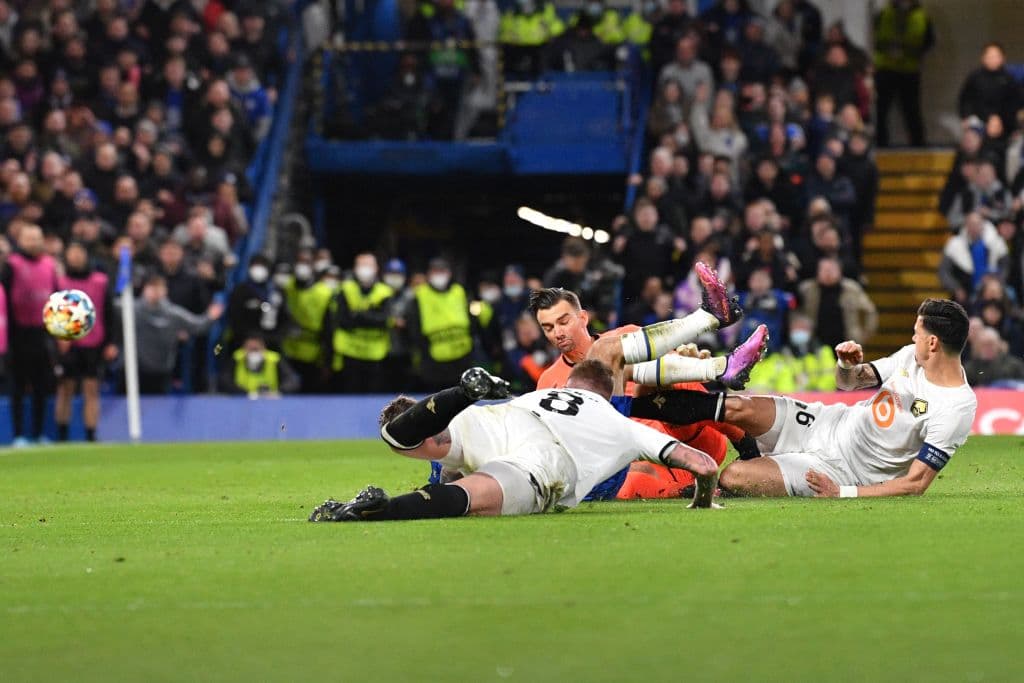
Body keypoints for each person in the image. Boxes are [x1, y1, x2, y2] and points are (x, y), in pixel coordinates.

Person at [309, 355, 720, 521]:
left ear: (571, 382)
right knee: (475, 496)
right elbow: (704, 465)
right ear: (604, 392)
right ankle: (383, 510)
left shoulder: (539, 392)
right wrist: (702, 501)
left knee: (404, 439)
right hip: (544, 460)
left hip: (500, 417)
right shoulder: (619, 421)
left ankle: (459, 394)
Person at [639, 300, 976, 498]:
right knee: (735, 407)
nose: (911, 337)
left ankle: (750, 466)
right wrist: (847, 365)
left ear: (933, 343)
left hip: (844, 470)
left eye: (916, 332)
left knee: (732, 477)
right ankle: (630, 407)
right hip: (827, 422)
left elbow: (916, 483)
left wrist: (842, 493)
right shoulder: (909, 356)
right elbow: (846, 384)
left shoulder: (955, 407)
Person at [530, 263, 767, 499]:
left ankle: (748, 449)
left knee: (662, 380)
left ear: (583, 317)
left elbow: (677, 370)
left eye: (563, 322)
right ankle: (720, 364)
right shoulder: (549, 381)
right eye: (548, 327)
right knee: (626, 481)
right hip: (640, 465)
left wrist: (690, 360)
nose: (557, 333)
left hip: (690, 439)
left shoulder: (625, 336)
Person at [54, 242, 117, 442]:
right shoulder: (60, 283)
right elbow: (51, 314)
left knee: (91, 388)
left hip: (94, 343)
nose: (76, 257)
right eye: (72, 253)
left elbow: (110, 313)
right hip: (68, 344)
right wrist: (58, 337)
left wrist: (111, 342)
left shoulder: (100, 282)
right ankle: (62, 435)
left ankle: (91, 435)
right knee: (65, 389)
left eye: (79, 253)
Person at [130, 274, 223, 394]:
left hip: (162, 370)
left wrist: (210, 317)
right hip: (135, 369)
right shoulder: (131, 310)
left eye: (159, 288)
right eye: (151, 287)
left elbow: (197, 326)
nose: (155, 292)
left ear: (165, 291)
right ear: (145, 289)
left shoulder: (173, 314)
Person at [329, 252, 394, 393]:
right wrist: (371, 316)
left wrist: (358, 315)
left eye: (368, 265)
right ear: (355, 268)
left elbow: (384, 320)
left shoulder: (384, 292)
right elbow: (342, 320)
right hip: (350, 352)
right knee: (349, 394)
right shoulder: (345, 289)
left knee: (373, 397)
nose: (365, 269)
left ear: (376, 268)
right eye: (361, 265)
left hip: (375, 353)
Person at [407, 257, 476, 390]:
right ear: (429, 274)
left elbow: (472, 322)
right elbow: (413, 329)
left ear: (449, 273)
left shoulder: (459, 292)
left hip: (462, 360)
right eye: (435, 271)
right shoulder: (420, 296)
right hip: (434, 365)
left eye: (442, 271)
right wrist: (424, 354)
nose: (439, 275)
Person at [872, 0, 933, 147]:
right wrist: (887, 50)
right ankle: (881, 142)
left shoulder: (922, 16)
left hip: (909, 69)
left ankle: (918, 142)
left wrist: (909, 52)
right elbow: (876, 39)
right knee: (882, 107)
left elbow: (928, 43)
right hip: (886, 67)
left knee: (911, 108)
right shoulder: (884, 14)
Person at [224, 334, 300, 396]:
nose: (253, 353)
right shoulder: (237, 358)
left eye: (256, 349)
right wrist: (246, 393)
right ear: (244, 348)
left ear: (263, 348)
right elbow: (225, 380)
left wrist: (278, 392)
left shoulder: (274, 360)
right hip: (241, 401)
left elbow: (293, 380)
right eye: (250, 349)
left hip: (271, 402)